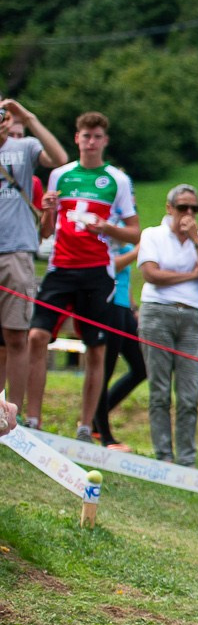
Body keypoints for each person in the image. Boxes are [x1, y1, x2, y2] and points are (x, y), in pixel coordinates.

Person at [24, 112, 138, 438]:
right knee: (36, 336)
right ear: (77, 138)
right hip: (60, 267)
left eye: (97, 136)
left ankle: (85, 426)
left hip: (97, 271)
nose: (91, 142)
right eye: (86, 136)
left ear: (105, 141)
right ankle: (33, 420)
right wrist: (47, 211)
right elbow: (47, 231)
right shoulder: (60, 175)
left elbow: (135, 233)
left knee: (96, 347)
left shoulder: (117, 180)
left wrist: (106, 228)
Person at [135, 184, 198, 466]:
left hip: (192, 316)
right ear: (169, 208)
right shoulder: (152, 234)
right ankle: (163, 455)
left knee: (189, 393)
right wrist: (189, 276)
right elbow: (151, 274)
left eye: (195, 208)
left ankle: (186, 458)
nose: (189, 213)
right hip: (157, 312)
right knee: (159, 390)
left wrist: (196, 241)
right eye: (183, 207)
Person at [1, 98, 68, 410]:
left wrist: (28, 117)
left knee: (16, 336)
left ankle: (12, 416)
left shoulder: (24, 146)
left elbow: (59, 158)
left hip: (16, 253)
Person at [89, 238, 147, 449]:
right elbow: (109, 266)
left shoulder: (123, 233)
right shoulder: (105, 230)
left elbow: (125, 278)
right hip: (108, 304)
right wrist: (136, 252)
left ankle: (94, 419)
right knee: (105, 370)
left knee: (142, 367)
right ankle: (104, 435)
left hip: (123, 307)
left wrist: (134, 308)